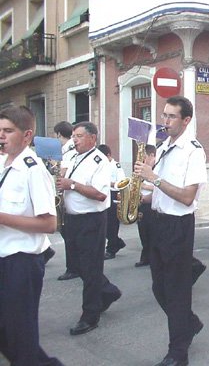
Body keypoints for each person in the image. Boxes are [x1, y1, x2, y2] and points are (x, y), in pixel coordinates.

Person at [134, 96, 206, 366]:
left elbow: (187, 197)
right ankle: (189, 323)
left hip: (178, 226)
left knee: (176, 292)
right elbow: (161, 192)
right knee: (158, 287)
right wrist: (137, 194)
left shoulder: (193, 151)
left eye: (171, 116)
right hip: (158, 222)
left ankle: (178, 352)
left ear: (186, 120)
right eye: (164, 115)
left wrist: (153, 177)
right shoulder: (164, 147)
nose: (165, 121)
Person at [0, 106, 64, 366]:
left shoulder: (33, 169)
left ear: (26, 136)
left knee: (21, 337)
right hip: (3, 258)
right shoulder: (3, 164)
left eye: (7, 131)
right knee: (8, 335)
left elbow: (49, 223)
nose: (1, 136)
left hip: (22, 262)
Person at [56, 122, 122, 336]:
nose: (74, 140)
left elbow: (100, 194)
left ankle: (90, 316)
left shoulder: (99, 161)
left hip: (91, 220)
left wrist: (71, 185)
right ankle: (108, 291)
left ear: (93, 138)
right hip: (74, 219)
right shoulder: (75, 157)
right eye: (73, 136)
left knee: (91, 268)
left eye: (79, 136)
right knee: (80, 266)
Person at [54, 121, 80, 281]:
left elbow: (62, 173)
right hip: (68, 195)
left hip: (70, 196)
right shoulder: (68, 149)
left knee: (69, 234)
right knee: (69, 234)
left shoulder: (69, 150)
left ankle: (73, 267)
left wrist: (54, 168)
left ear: (58, 134)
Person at [97, 144, 127, 260]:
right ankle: (117, 242)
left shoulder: (116, 166)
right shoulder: (102, 166)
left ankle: (111, 249)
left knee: (112, 224)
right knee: (105, 224)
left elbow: (121, 182)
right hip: (104, 195)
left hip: (113, 195)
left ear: (108, 155)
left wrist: (107, 183)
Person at [135, 144, 156, 267]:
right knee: (143, 231)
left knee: (152, 232)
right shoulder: (142, 170)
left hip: (152, 204)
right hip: (141, 203)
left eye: (144, 157)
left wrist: (144, 186)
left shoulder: (157, 168)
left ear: (152, 155)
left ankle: (153, 257)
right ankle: (146, 256)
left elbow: (161, 185)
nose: (143, 160)